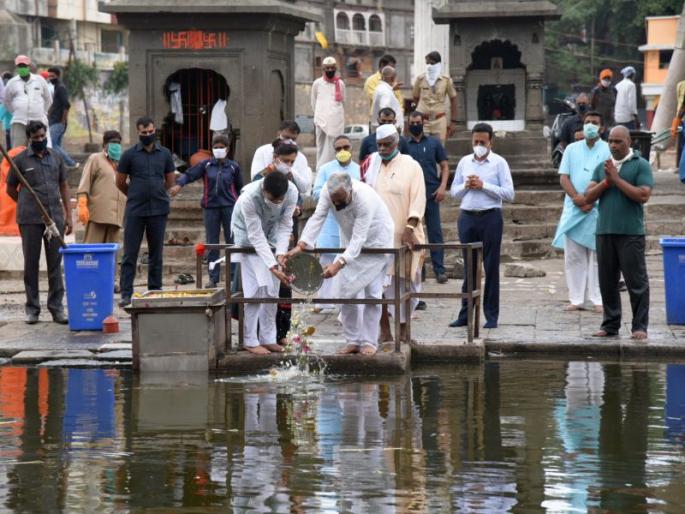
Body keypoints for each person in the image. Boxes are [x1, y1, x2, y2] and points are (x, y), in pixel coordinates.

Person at [287, 173, 394, 356]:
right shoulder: (328, 194)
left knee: (373, 295)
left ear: (350, 190)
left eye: (340, 200)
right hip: (349, 242)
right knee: (346, 292)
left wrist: (338, 264)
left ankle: (369, 342)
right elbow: (318, 217)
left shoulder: (364, 198)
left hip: (376, 242)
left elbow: (360, 237)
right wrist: (302, 245)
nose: (336, 204)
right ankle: (353, 340)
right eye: (334, 200)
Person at [583, 126, 653, 339]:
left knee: (636, 282)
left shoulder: (641, 165)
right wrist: (606, 181)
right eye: (611, 141)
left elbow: (643, 195)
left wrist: (617, 180)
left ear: (628, 141)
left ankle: (639, 326)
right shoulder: (603, 167)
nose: (613, 145)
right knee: (607, 281)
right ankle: (610, 325)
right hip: (604, 232)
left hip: (630, 233)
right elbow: (587, 196)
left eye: (618, 141)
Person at [5, 121, 73, 324]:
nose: (41, 140)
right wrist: (25, 203)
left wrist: (68, 216)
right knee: (31, 264)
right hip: (30, 220)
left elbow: (64, 186)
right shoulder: (20, 160)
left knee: (55, 265)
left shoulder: (56, 157)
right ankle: (32, 309)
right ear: (29, 139)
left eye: (43, 136)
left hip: (54, 220)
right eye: (36, 138)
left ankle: (56, 308)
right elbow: (10, 188)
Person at [363, 124, 426, 342]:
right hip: (377, 237)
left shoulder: (412, 166)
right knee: (377, 287)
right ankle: (385, 332)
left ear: (396, 143)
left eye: (386, 144)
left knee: (406, 284)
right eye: (379, 144)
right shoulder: (371, 165)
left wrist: (409, 229)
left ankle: (404, 330)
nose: (382, 148)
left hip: (404, 235)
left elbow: (418, 199)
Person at [449, 122, 515, 329]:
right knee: (469, 266)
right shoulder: (464, 162)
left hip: (490, 217)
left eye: (482, 142)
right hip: (467, 216)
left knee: (491, 266)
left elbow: (509, 194)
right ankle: (465, 313)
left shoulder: (499, 163)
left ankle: (491, 316)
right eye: (475, 141)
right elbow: (454, 192)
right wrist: (466, 185)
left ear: (490, 142)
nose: (478, 145)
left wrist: (483, 185)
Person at [231, 171, 298, 355]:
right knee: (255, 291)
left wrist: (281, 253)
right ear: (264, 189)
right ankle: (250, 340)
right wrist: (272, 265)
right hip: (248, 239)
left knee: (272, 292)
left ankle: (268, 338)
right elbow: (255, 235)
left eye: (279, 200)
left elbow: (285, 225)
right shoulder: (249, 198)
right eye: (272, 199)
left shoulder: (292, 192)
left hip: (273, 236)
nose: (276, 203)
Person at [552, 111, 610, 313]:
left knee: (597, 257)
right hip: (574, 207)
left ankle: (598, 299)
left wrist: (590, 200)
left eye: (595, 123)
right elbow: (563, 177)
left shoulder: (607, 150)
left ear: (601, 128)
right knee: (573, 256)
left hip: (598, 208)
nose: (590, 126)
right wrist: (578, 198)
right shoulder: (571, 149)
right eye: (587, 122)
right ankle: (576, 299)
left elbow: (609, 178)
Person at [116, 116, 176, 306]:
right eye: (144, 133)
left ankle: (155, 290)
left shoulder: (165, 154)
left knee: (156, 253)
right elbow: (120, 182)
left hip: (158, 210)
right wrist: (135, 193)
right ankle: (126, 293)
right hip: (135, 210)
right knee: (130, 254)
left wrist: (157, 192)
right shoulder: (129, 155)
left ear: (154, 130)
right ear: (138, 133)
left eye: (151, 132)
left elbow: (170, 181)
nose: (148, 135)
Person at [170, 133, 243, 287]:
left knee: (232, 242)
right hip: (210, 208)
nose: (218, 150)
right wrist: (179, 185)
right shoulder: (206, 165)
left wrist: (240, 205)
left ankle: (233, 278)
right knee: (212, 243)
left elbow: (240, 187)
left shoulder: (233, 167)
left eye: (221, 147)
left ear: (227, 149)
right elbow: (189, 174)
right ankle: (213, 278)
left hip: (230, 207)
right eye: (215, 147)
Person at [311, 135, 360, 312]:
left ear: (351, 148)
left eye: (345, 147)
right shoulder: (325, 169)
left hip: (351, 222)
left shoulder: (359, 170)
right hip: (330, 221)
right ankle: (324, 301)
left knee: (347, 261)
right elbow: (316, 192)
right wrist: (332, 195)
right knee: (326, 259)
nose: (342, 151)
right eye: (338, 149)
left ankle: (343, 301)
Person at [406, 111, 450, 284]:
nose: (415, 125)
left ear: (423, 122)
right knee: (415, 233)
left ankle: (440, 270)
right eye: (412, 122)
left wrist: (442, 186)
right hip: (411, 196)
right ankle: (419, 271)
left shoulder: (434, 143)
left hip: (432, 194)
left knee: (435, 233)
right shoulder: (404, 145)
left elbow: (445, 166)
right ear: (408, 123)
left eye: (418, 122)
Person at [76, 130, 126, 243]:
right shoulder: (95, 159)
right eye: (113, 142)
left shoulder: (122, 163)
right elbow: (85, 182)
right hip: (97, 216)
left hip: (116, 217)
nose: (116, 146)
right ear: (104, 145)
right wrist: (82, 204)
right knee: (92, 253)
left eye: (118, 143)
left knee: (110, 255)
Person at [3, 55, 52, 148]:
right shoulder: (12, 83)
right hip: (19, 121)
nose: (22, 68)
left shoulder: (39, 80)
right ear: (17, 67)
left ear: (29, 66)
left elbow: (48, 99)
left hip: (38, 120)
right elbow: (6, 101)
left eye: (24, 66)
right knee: (18, 150)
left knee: (41, 147)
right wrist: (16, 111)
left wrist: (43, 112)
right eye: (20, 66)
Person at [250, 121, 312, 194]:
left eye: (293, 139)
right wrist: (272, 168)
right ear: (278, 134)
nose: (289, 141)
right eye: (286, 137)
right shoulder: (262, 151)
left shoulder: (301, 157)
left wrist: (290, 172)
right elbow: (255, 181)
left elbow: (304, 188)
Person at [412, 51, 458, 142]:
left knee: (439, 148)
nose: (429, 66)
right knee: (422, 148)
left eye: (432, 63)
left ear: (438, 64)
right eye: (427, 63)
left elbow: (453, 99)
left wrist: (453, 122)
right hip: (423, 121)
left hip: (439, 120)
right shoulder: (420, 79)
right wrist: (421, 111)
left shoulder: (446, 80)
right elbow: (415, 97)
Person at [311, 56, 345, 171]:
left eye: (332, 68)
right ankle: (320, 170)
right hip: (321, 121)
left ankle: (334, 169)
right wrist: (320, 115)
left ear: (335, 68)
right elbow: (313, 101)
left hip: (336, 122)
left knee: (334, 147)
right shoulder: (317, 83)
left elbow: (343, 102)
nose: (330, 70)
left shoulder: (340, 84)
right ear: (323, 69)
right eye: (327, 68)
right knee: (321, 147)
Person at [46, 67, 77, 169]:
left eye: (52, 76)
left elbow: (67, 105)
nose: (50, 78)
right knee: (57, 146)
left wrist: (62, 120)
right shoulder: (56, 87)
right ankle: (61, 166)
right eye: (49, 76)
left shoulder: (60, 88)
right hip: (55, 121)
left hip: (58, 122)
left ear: (58, 76)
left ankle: (71, 163)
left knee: (52, 144)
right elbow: (55, 104)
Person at [364, 54, 404, 118]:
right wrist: (391, 89)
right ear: (382, 66)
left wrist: (399, 113)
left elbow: (400, 101)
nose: (393, 70)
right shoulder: (371, 81)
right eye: (391, 67)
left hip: (394, 118)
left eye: (394, 68)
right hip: (378, 118)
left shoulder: (394, 82)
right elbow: (377, 98)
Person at [371, 66, 403, 133]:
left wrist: (392, 89)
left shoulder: (380, 88)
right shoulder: (385, 92)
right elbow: (385, 112)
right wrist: (394, 128)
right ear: (392, 78)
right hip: (388, 132)